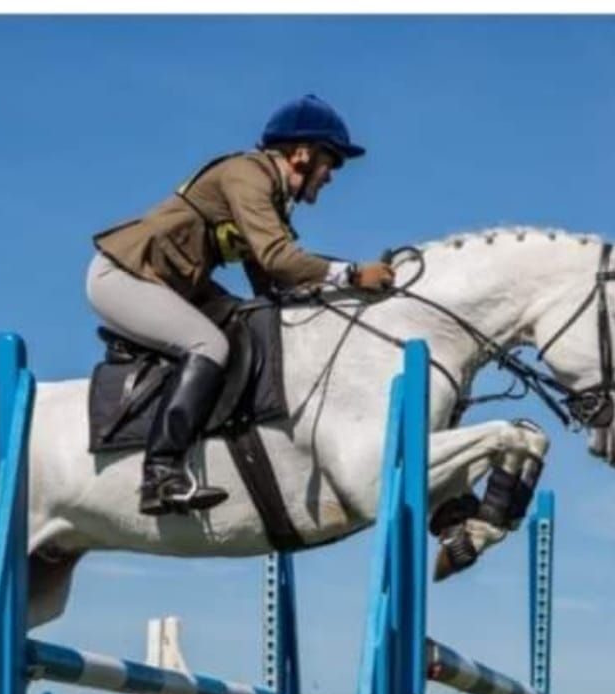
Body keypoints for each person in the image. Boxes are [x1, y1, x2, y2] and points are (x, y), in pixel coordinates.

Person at [87, 94, 395, 517]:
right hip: (123, 275)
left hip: (172, 283)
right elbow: (278, 259)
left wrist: (342, 296)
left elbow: (270, 285)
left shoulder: (268, 196)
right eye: (332, 162)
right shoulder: (248, 175)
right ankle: (160, 474)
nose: (331, 176)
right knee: (207, 345)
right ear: (302, 154)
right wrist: (353, 274)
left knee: (245, 321)